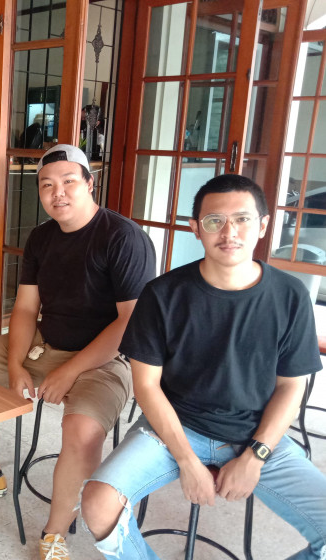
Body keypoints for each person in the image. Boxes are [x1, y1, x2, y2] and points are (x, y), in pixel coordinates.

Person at [81, 175, 326, 560]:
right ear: (195, 228)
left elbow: (291, 388)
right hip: (176, 428)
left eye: (242, 219)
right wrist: (186, 459)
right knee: (97, 502)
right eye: (214, 221)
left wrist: (254, 456)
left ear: (263, 225)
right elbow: (146, 386)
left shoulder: (289, 295)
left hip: (256, 433)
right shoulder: (162, 294)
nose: (229, 232)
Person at [0, 144, 156, 560]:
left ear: (89, 184)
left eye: (68, 182)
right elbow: (26, 308)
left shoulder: (124, 238)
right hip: (47, 342)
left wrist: (70, 372)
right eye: (47, 185)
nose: (57, 193)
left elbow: (128, 322)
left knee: (82, 432)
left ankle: (55, 532)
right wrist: (13, 364)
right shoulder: (42, 237)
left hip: (105, 356)